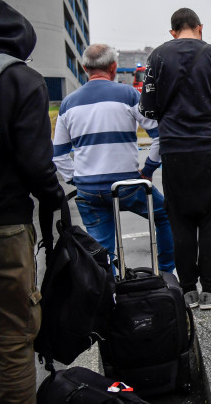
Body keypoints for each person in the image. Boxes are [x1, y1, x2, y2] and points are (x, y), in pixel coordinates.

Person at [0, 0, 64, 403]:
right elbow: (35, 163)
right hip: (4, 226)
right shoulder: (23, 80)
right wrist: (55, 198)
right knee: (14, 342)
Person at [139, 8, 211, 310]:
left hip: (174, 151)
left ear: (173, 31)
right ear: (199, 28)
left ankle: (187, 291)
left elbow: (147, 109)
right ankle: (210, 291)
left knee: (180, 221)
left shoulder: (157, 57)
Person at [52, 43, 175, 274]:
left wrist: (76, 180)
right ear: (114, 67)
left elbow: (58, 155)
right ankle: (166, 272)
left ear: (83, 67)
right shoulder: (129, 95)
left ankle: (109, 289)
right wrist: (147, 171)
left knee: (101, 250)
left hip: (88, 191)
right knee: (165, 216)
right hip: (128, 186)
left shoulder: (68, 104)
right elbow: (161, 137)